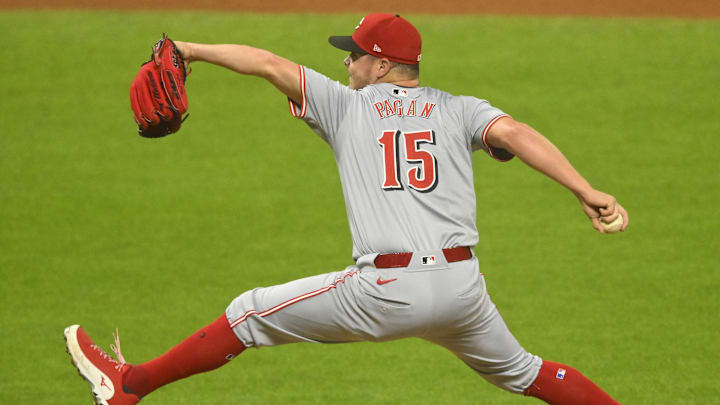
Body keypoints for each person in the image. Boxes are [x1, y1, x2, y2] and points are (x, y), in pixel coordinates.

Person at [65, 13, 628, 405]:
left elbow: (264, 62)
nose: (347, 63)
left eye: (355, 55)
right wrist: (585, 190)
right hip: (462, 290)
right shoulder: (460, 109)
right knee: (527, 372)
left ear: (381, 66)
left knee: (248, 313)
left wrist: (188, 50)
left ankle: (130, 386)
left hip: (385, 293)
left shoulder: (344, 106)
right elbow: (518, 133)